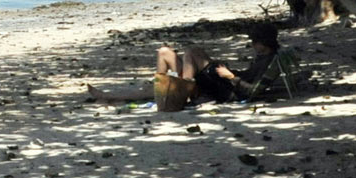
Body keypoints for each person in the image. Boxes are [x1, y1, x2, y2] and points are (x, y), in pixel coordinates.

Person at [87, 23, 294, 106]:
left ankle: (179, 88)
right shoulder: (264, 56)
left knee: (192, 52)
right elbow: (249, 75)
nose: (252, 46)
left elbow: (253, 91)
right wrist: (230, 71)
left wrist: (231, 76)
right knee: (165, 52)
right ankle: (174, 87)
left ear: (262, 42)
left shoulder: (271, 61)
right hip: (224, 81)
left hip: (228, 90)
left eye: (254, 42)